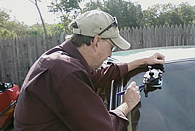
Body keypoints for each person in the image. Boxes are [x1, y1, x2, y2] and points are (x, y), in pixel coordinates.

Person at [14, 9, 165, 131]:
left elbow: (100, 75)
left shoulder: (61, 60)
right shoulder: (66, 72)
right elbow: (105, 128)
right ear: (96, 41)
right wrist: (127, 104)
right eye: (111, 47)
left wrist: (143, 61)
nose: (110, 54)